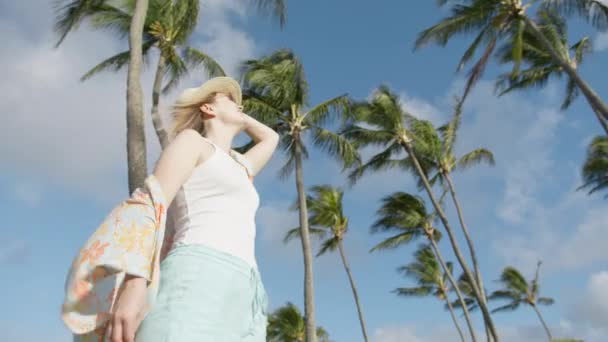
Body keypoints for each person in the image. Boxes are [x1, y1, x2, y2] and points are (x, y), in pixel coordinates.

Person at [107, 76, 279, 342]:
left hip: (247, 288)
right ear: (207, 108)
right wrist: (135, 282)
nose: (240, 105)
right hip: (199, 271)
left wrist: (241, 118)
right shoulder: (192, 142)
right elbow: (151, 205)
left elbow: (271, 137)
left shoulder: (241, 166)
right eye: (230, 99)